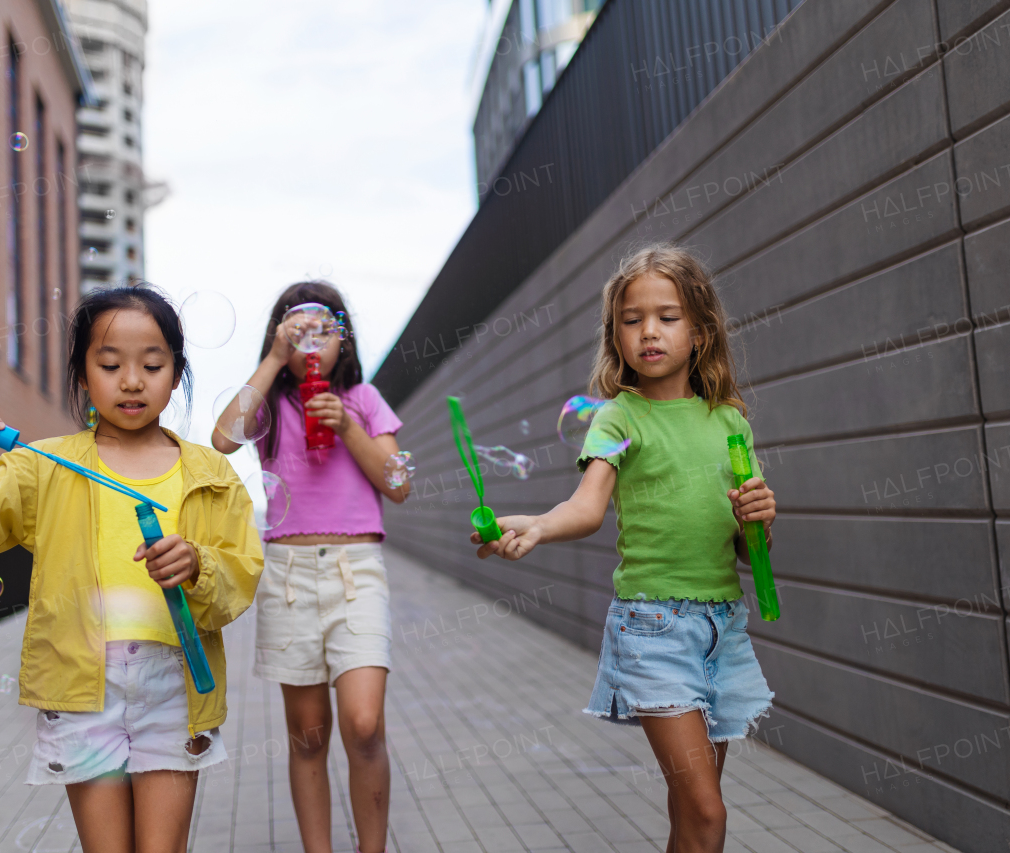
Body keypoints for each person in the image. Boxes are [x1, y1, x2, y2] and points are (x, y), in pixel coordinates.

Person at [0, 285, 263, 853]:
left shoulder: (210, 472)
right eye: (110, 363)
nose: (133, 380)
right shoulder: (43, 467)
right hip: (80, 684)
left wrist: (199, 565)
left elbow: (240, 577)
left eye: (153, 363)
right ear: (83, 374)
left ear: (177, 371)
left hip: (176, 686)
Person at [473, 244, 776, 853]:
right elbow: (585, 508)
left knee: (691, 814)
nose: (649, 332)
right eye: (632, 320)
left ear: (701, 330)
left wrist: (762, 518)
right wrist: (537, 524)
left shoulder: (729, 422)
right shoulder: (617, 418)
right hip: (654, 628)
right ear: (616, 335)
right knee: (709, 813)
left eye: (667, 316)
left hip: (721, 626)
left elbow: (749, 547)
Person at [212, 281, 408, 853]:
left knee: (365, 725)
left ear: (342, 344)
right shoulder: (271, 405)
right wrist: (272, 361)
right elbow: (223, 438)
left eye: (323, 330)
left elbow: (398, 484)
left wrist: (347, 425)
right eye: (295, 334)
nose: (311, 343)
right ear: (280, 342)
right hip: (289, 574)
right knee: (307, 737)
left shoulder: (365, 400)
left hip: (357, 571)